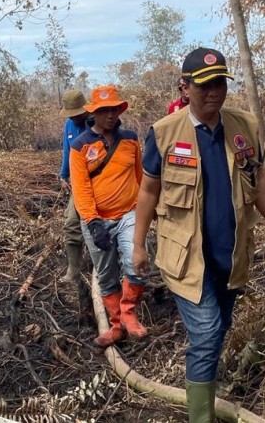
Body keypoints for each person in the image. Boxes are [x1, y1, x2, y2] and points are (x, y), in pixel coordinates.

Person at [132, 47, 265, 422]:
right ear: (185, 87)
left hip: (232, 254)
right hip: (186, 258)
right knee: (206, 334)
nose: (213, 93)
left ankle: (203, 385)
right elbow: (148, 192)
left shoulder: (245, 127)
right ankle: (200, 417)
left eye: (219, 83)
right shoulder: (164, 134)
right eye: (204, 85)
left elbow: (261, 182)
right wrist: (138, 244)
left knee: (219, 326)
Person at [69, 85, 148, 348]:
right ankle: (116, 325)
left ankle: (128, 312)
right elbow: (80, 188)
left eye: (114, 109)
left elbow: (141, 177)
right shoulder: (80, 146)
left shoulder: (130, 139)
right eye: (104, 111)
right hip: (97, 218)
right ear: (94, 113)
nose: (111, 115)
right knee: (105, 274)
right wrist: (92, 222)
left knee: (136, 264)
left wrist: (146, 209)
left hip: (129, 213)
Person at [59, 90, 90, 284]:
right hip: (78, 184)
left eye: (77, 112)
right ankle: (73, 269)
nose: (74, 117)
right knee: (71, 224)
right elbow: (67, 151)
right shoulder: (69, 125)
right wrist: (63, 175)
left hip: (98, 182)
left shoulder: (96, 122)